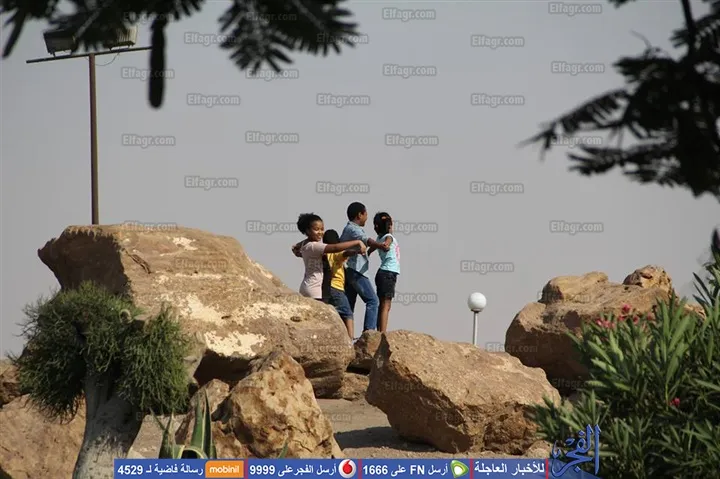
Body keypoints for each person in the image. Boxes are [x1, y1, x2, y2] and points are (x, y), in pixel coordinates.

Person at [292, 213, 366, 301]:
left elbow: (296, 247)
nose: (320, 232)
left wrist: (297, 249)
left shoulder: (305, 244)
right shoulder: (314, 246)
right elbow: (335, 248)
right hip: (315, 290)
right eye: (316, 229)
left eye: (322, 229)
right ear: (307, 231)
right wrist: (357, 242)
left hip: (306, 287)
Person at [339, 202, 389, 332]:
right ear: (359, 215)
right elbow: (366, 240)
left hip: (350, 270)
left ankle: (345, 333)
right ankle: (369, 333)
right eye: (366, 214)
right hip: (356, 271)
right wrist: (380, 246)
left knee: (349, 306)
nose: (367, 217)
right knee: (373, 301)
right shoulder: (353, 229)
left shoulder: (349, 229)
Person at [321, 229, 358, 338]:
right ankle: (350, 340)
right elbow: (345, 253)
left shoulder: (324, 254)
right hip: (336, 288)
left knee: (333, 314)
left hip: (326, 289)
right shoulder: (336, 253)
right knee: (348, 314)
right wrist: (355, 251)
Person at [369, 212, 400, 333]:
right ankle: (382, 333)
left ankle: (379, 330)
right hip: (388, 273)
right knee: (386, 305)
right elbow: (387, 242)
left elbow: (370, 250)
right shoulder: (389, 237)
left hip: (383, 273)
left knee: (382, 305)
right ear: (389, 226)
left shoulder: (378, 239)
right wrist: (386, 245)